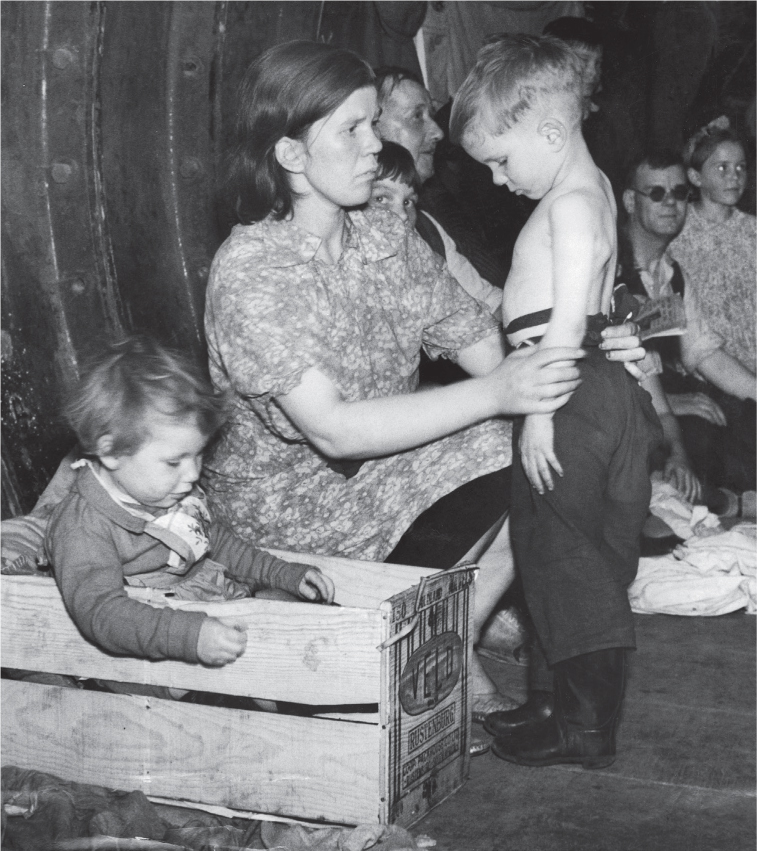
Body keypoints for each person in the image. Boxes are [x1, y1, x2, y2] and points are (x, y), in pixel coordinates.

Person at [202, 40, 644, 732]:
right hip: (285, 515)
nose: (373, 147)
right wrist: (503, 390)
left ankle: (448, 635)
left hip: (385, 478)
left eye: (373, 123)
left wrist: (583, 349)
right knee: (513, 425)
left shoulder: (383, 237)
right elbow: (334, 429)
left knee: (546, 449)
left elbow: (484, 343)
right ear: (290, 154)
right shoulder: (253, 272)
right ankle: (360, 618)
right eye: (350, 129)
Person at [450, 34, 663, 768]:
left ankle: (584, 729)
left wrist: (538, 410)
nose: (499, 181)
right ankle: (550, 704)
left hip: (565, 385)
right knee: (550, 549)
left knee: (567, 556)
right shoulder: (594, 186)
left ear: (547, 131)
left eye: (501, 161)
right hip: (593, 381)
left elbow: (569, 318)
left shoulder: (569, 204)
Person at [46, 336, 334, 682]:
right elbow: (103, 613)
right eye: (174, 462)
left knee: (287, 610)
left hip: (208, 604)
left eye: (197, 455)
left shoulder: (166, 491)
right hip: (151, 654)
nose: (194, 474)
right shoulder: (84, 527)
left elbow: (219, 544)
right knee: (233, 671)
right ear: (110, 453)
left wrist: (284, 574)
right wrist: (190, 636)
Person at [620, 148, 755, 509]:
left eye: (679, 193)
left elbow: (704, 353)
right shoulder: (609, 270)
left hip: (668, 396)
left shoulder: (673, 274)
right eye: (657, 193)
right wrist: (669, 405)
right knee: (703, 441)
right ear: (631, 201)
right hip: (624, 409)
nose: (671, 203)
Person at [669, 117, 756, 508]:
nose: (734, 176)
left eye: (740, 168)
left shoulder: (752, 231)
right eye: (721, 167)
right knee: (731, 437)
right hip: (707, 370)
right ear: (695, 177)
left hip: (751, 362)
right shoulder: (677, 233)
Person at [368, 140, 501, 316]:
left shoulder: (426, 231)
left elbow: (484, 299)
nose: (402, 214)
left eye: (408, 202)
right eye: (381, 199)